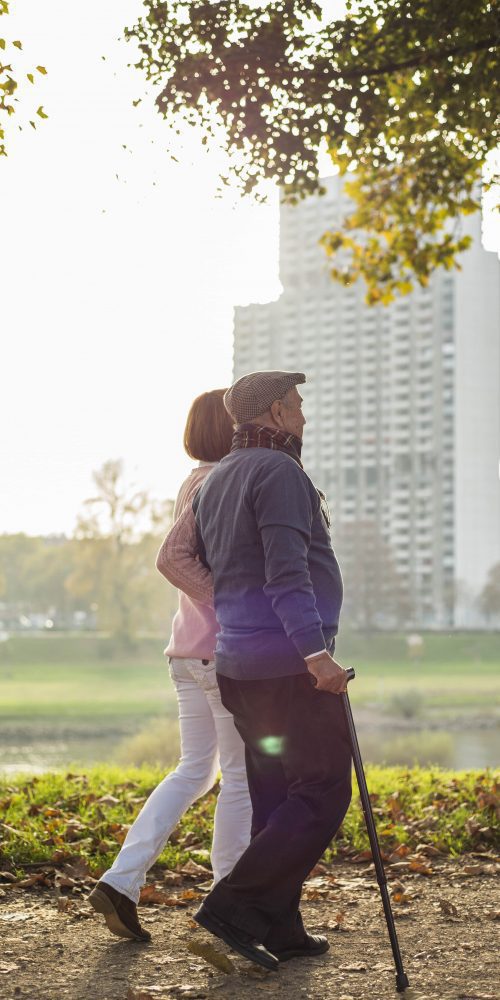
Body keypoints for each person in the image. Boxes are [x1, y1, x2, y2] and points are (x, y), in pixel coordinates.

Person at [189, 370, 353, 971]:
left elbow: (218, 568)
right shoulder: (279, 473)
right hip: (289, 666)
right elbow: (286, 574)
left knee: (273, 793)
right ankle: (231, 910)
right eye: (300, 405)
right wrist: (316, 655)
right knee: (324, 790)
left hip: (239, 665)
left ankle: (280, 928)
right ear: (277, 413)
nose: (305, 417)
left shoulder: (218, 478)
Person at [88, 389, 252, 942]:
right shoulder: (216, 483)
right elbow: (176, 562)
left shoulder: (195, 480)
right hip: (215, 650)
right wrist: (231, 607)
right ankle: (231, 903)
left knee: (197, 771)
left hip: (186, 652)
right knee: (239, 777)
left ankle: (120, 881)